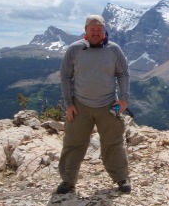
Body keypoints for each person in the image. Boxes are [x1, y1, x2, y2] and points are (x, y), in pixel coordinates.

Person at [56, 14, 131, 194]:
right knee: (73, 142)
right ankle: (68, 181)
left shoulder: (114, 50)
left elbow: (123, 73)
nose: (96, 33)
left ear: (104, 30)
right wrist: (69, 104)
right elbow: (66, 76)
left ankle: (121, 178)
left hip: (109, 104)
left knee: (113, 141)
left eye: (99, 29)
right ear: (86, 30)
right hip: (79, 105)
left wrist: (124, 99)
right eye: (92, 29)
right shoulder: (74, 50)